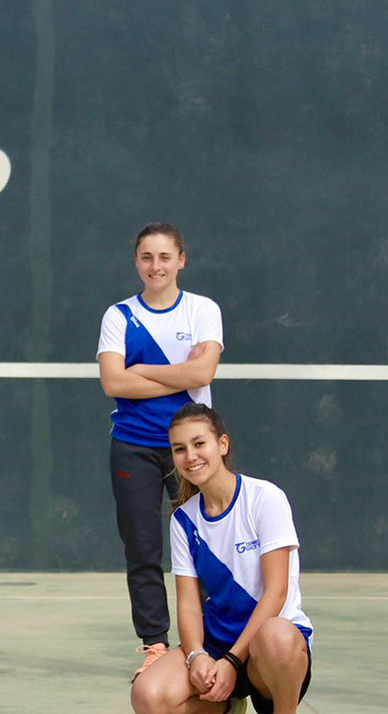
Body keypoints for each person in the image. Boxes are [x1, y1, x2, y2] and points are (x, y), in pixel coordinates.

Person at [130, 404, 313, 714]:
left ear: (222, 444)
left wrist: (232, 661)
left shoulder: (265, 498)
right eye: (180, 448)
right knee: (146, 698)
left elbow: (276, 594)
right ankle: (223, 710)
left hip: (267, 651)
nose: (190, 456)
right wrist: (198, 656)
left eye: (200, 443)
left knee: (276, 634)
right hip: (217, 649)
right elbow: (188, 606)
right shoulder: (184, 519)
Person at [96, 223, 223, 678]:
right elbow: (113, 382)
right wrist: (180, 373)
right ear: (137, 262)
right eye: (147, 257)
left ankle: (211, 640)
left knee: (205, 542)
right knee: (143, 547)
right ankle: (154, 645)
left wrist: (143, 370)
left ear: (181, 260)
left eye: (165, 257)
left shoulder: (203, 310)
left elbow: (203, 373)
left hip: (190, 448)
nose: (156, 266)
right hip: (133, 447)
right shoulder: (118, 316)